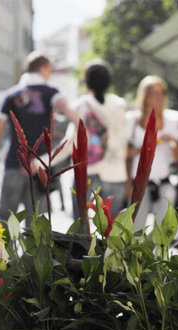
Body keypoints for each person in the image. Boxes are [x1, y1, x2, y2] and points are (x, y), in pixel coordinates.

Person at [0, 51, 79, 223]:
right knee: (36, 228)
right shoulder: (52, 93)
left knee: (4, 223)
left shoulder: (11, 95)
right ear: (44, 68)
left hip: (13, 163)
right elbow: (75, 119)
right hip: (39, 166)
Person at [69, 60, 128, 219]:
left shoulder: (80, 106)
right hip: (116, 173)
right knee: (112, 233)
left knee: (81, 230)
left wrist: (42, 162)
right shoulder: (121, 105)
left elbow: (70, 143)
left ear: (87, 81)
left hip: (87, 172)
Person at [126, 75, 178, 231]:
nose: (159, 97)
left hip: (163, 182)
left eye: (162, 92)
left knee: (162, 230)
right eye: (154, 93)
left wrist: (172, 141)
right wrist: (145, 148)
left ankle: (158, 255)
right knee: (135, 229)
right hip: (137, 183)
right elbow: (124, 154)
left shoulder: (170, 122)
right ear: (145, 96)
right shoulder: (132, 120)